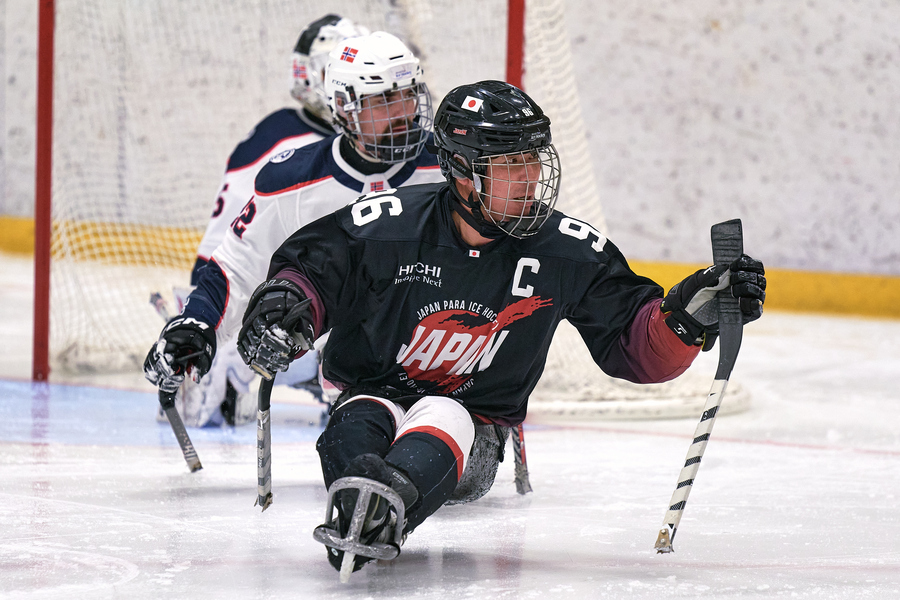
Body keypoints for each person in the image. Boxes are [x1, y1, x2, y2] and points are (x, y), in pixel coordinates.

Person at [231, 80, 767, 578]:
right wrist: (287, 304)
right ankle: (360, 501)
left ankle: (376, 507)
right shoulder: (387, 226)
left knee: (442, 412)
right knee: (360, 413)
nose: (530, 177)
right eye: (510, 163)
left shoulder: (567, 249)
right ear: (461, 171)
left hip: (477, 431)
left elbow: (636, 345)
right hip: (372, 397)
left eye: (533, 160)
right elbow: (311, 273)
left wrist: (686, 318)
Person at [143, 32, 445, 427]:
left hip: (434, 352)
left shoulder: (446, 166)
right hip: (332, 352)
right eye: (383, 100)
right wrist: (197, 323)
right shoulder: (293, 180)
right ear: (343, 106)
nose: (403, 111)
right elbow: (236, 267)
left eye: (408, 94)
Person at [156, 14, 371, 428]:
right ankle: (234, 369)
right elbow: (228, 256)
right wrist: (202, 322)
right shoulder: (288, 141)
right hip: (265, 311)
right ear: (311, 77)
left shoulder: (369, 144)